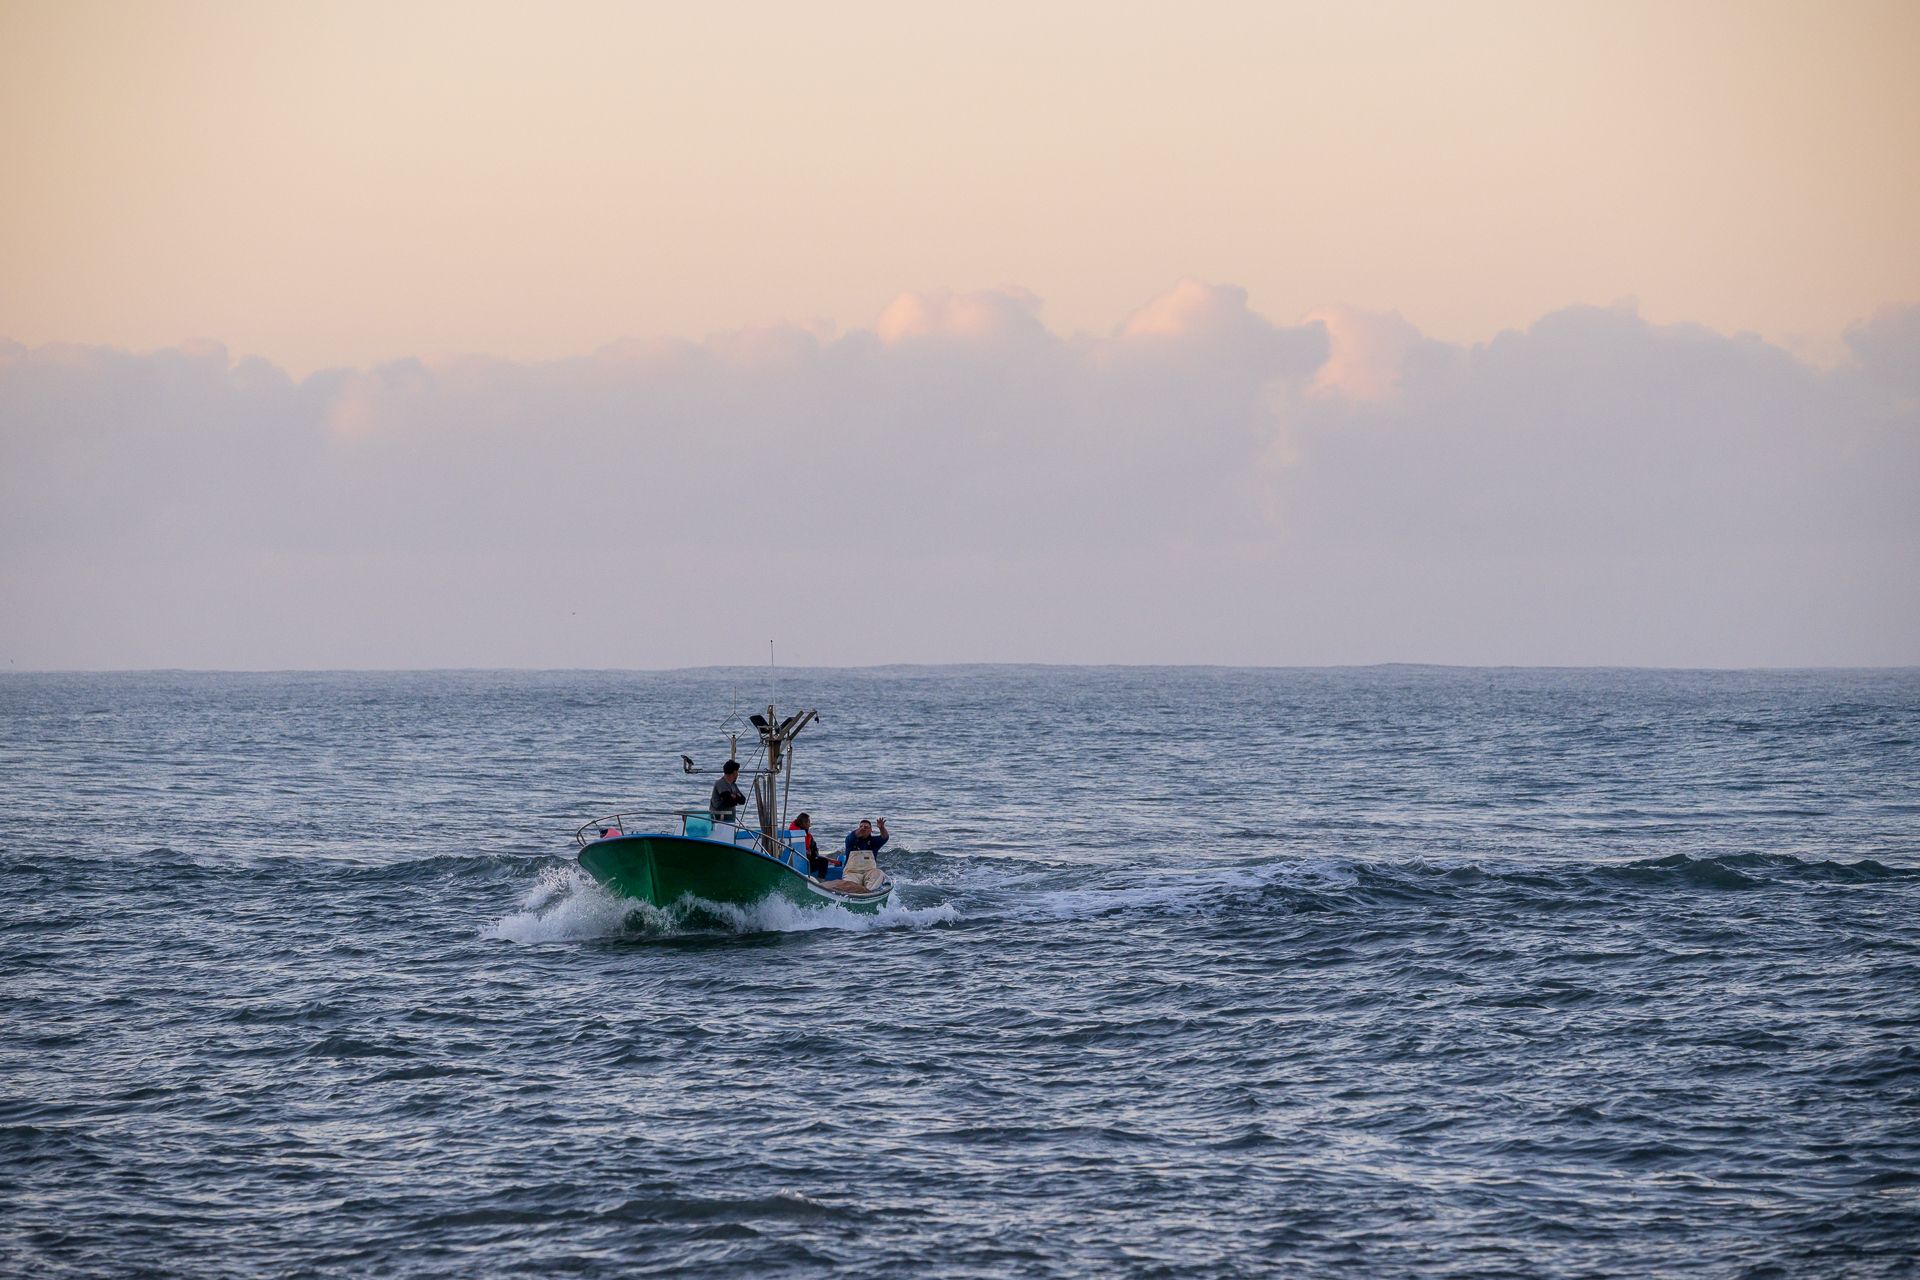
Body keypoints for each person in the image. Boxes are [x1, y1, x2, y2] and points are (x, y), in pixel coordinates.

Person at [824, 818, 888, 892]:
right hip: (852, 872)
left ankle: (869, 893)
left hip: (869, 871)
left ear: (871, 830)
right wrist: (861, 830)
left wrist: (881, 828)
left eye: (866, 827)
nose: (863, 829)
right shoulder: (851, 840)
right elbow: (853, 835)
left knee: (879, 873)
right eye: (861, 827)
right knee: (849, 886)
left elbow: (885, 837)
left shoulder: (874, 842)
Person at [789, 812, 830, 878]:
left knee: (823, 860)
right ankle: (820, 882)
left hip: (808, 859)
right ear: (803, 823)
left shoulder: (806, 833)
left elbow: (813, 847)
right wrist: (807, 853)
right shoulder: (795, 834)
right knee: (824, 862)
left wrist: (814, 854)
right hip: (802, 863)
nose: (810, 825)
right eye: (808, 822)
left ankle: (820, 881)